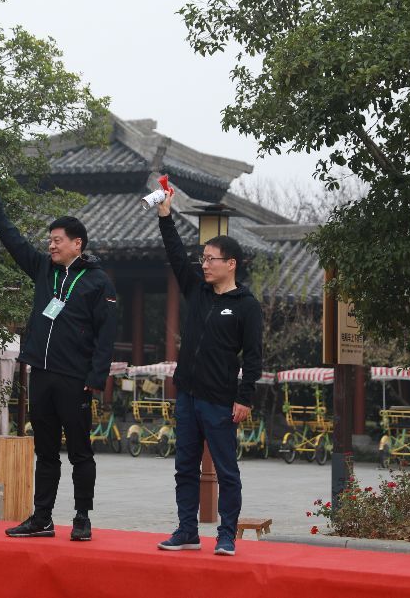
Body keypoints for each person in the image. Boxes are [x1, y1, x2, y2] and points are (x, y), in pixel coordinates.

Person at [0, 179, 117, 542]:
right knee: (45, 452)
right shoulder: (44, 270)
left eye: (58, 240)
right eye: (50, 240)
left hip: (75, 379)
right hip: (41, 373)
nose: (51, 245)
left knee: (80, 452)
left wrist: (95, 379)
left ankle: (82, 517)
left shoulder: (98, 282)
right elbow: (14, 241)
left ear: (77, 244)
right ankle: (42, 518)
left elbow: (106, 336)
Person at [154, 188, 262, 557]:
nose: (204, 265)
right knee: (184, 467)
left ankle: (226, 535)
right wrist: (165, 216)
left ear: (231, 264)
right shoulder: (197, 292)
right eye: (203, 259)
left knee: (227, 471)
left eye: (211, 259)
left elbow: (254, 356)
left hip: (219, 401)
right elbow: (175, 255)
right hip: (187, 395)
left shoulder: (246, 305)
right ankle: (187, 530)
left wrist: (244, 398)